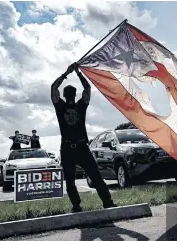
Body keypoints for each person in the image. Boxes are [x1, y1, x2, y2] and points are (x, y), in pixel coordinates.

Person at [51, 63, 116, 212]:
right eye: (71, 94)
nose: (70, 95)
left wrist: (69, 73)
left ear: (68, 95)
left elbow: (54, 88)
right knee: (72, 181)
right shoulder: (63, 107)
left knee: (94, 176)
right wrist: (75, 73)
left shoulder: (78, 106)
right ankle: (77, 206)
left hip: (80, 147)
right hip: (68, 148)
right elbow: (86, 89)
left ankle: (106, 202)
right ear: (73, 95)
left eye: (69, 93)